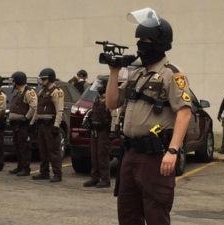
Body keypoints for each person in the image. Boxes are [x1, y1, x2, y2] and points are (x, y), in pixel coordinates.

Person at [105, 8, 192, 224]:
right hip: (131, 153)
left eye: (145, 40)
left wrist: (173, 150)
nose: (140, 46)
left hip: (155, 156)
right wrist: (114, 72)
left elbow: (184, 112)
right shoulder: (137, 74)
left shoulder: (172, 74)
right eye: (139, 41)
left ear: (159, 42)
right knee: (127, 213)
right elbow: (112, 102)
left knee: (156, 214)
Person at [31, 68, 64, 182]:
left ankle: (57, 174)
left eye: (43, 79)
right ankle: (44, 172)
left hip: (50, 125)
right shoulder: (42, 92)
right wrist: (32, 122)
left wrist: (56, 126)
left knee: (54, 150)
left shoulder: (57, 92)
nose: (41, 81)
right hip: (41, 125)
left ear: (49, 79)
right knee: (43, 150)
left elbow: (59, 110)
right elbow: (37, 109)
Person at [82, 76, 112, 188]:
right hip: (95, 131)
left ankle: (105, 179)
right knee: (94, 153)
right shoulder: (97, 99)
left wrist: (113, 130)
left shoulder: (109, 99)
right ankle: (95, 177)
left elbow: (115, 115)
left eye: (100, 84)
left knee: (102, 154)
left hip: (104, 131)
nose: (98, 86)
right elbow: (93, 112)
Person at [8, 71, 37, 176]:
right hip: (16, 124)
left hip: (23, 125)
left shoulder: (29, 92)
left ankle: (25, 168)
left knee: (24, 146)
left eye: (13, 81)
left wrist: (26, 118)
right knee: (17, 146)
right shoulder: (18, 93)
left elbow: (34, 106)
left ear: (18, 81)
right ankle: (20, 166)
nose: (12, 83)